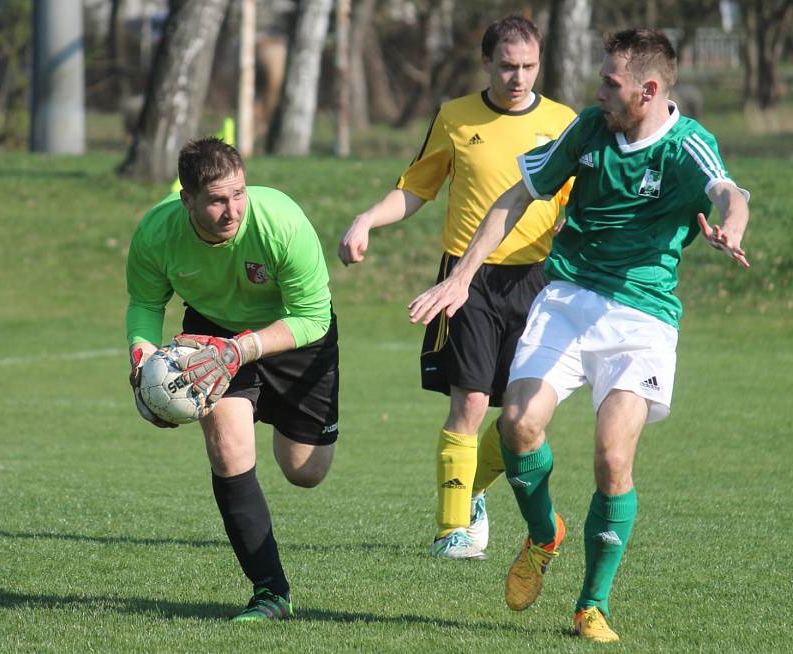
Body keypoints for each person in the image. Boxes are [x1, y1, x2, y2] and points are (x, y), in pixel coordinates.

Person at [409, 29, 750, 641]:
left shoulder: (687, 145)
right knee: (516, 424)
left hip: (641, 317)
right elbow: (516, 196)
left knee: (613, 458)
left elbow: (728, 189)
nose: (598, 92)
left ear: (647, 91)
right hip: (566, 296)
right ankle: (544, 535)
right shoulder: (590, 130)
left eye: (610, 83)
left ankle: (591, 605)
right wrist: (462, 277)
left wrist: (732, 226)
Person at [338, 15, 575, 560]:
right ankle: (451, 532)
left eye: (529, 67)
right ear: (487, 63)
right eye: (508, 66)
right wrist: (366, 220)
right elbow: (416, 187)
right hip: (465, 282)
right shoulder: (455, 116)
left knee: (524, 411)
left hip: (539, 281)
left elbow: (577, 200)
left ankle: (472, 491)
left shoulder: (564, 123)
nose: (519, 77)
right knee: (468, 399)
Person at [125, 137, 339, 622]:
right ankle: (271, 593)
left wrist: (240, 349)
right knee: (228, 451)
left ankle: (281, 418)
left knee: (305, 471)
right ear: (188, 200)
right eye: (218, 200)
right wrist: (142, 358)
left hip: (292, 333)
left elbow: (313, 316)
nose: (232, 209)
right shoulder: (158, 232)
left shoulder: (281, 221)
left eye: (238, 194)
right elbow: (144, 303)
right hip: (211, 332)